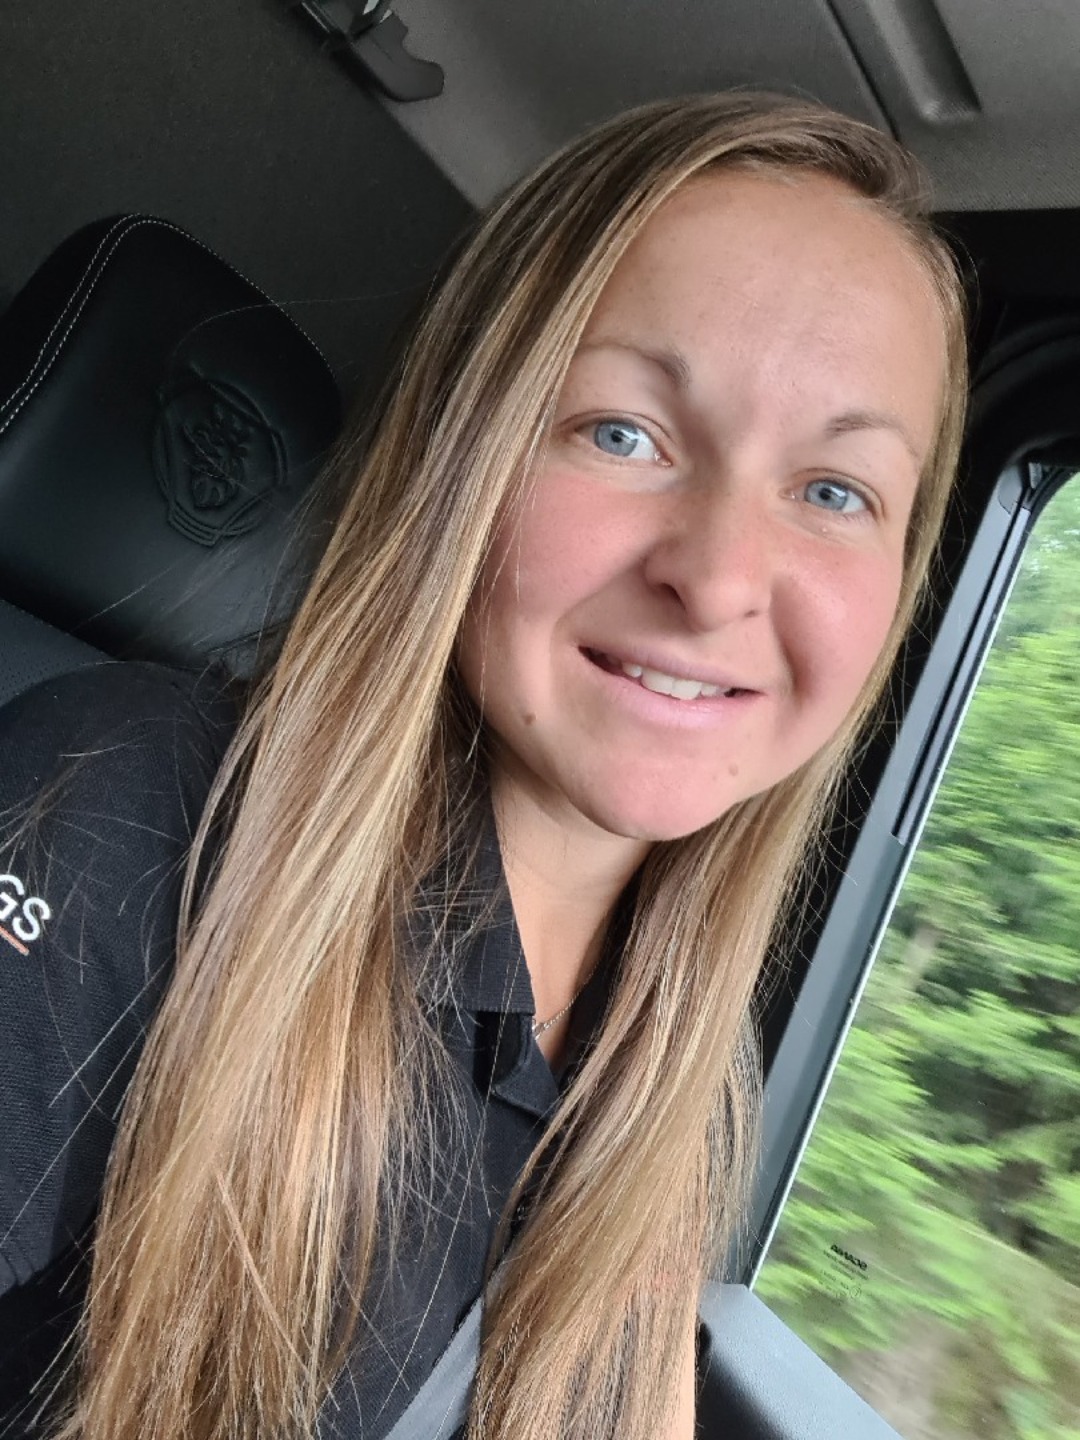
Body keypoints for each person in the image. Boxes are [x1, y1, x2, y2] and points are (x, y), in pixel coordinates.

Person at [0, 91, 967, 1440]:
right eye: (623, 432)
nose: (720, 580)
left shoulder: (681, 1061)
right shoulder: (125, 812)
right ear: (461, 451)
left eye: (835, 492)